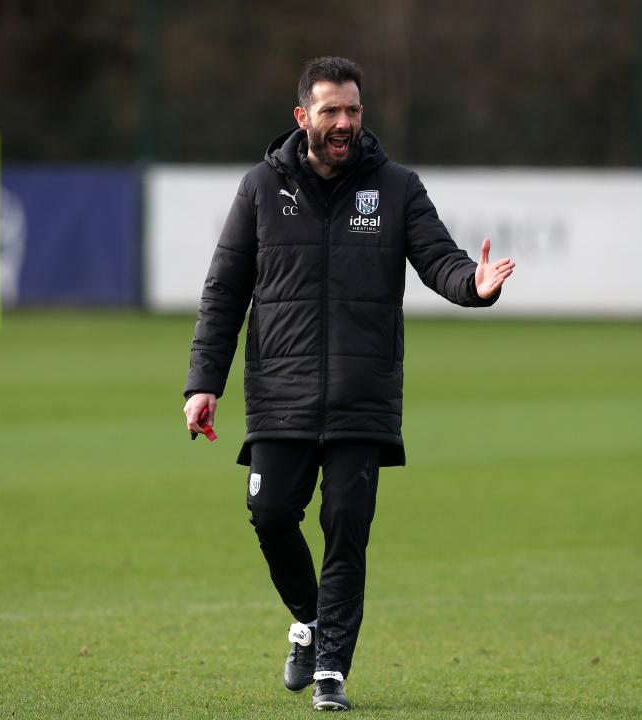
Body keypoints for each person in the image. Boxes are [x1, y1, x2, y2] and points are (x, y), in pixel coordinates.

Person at [183, 56, 515, 711]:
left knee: (345, 526)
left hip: (363, 396)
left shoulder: (396, 187)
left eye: (354, 111)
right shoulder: (259, 189)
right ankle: (309, 621)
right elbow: (224, 291)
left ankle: (331, 668)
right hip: (281, 392)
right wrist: (203, 383)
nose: (344, 123)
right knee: (271, 514)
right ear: (302, 116)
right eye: (331, 111)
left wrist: (472, 288)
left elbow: (440, 261)